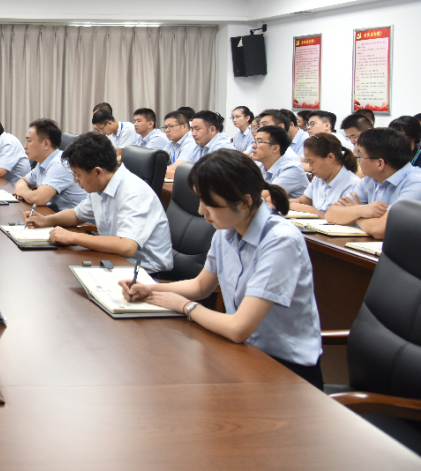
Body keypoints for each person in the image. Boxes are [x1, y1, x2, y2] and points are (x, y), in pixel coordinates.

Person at [119, 150, 323, 388]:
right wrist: (151, 289)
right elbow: (201, 286)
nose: (201, 211)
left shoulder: (280, 241)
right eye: (200, 200)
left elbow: (238, 328)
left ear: (245, 202)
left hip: (286, 371)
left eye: (210, 204)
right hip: (243, 353)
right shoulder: (227, 231)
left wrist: (184, 306)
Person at [23, 132, 173, 274]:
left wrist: (73, 237)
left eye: (77, 175)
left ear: (97, 172)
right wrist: (46, 220)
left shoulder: (133, 193)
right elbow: (76, 215)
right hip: (115, 261)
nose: (75, 180)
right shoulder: (100, 186)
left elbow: (127, 246)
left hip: (145, 273)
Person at [326, 128, 421, 239]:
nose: (357, 160)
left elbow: (381, 230)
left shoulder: (416, 183)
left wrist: (357, 214)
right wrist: (362, 210)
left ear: (380, 163)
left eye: (360, 155)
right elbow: (331, 214)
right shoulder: (370, 179)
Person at [13, 118, 88, 212]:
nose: (25, 146)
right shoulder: (43, 162)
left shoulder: (59, 164)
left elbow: (39, 198)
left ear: (46, 144)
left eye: (29, 141)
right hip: (55, 214)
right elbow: (23, 180)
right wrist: (22, 190)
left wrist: (22, 192)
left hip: (75, 220)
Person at [291, 133, 360, 215]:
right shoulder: (318, 178)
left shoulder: (352, 185)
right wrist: (282, 203)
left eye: (312, 162)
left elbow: (342, 219)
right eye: (308, 162)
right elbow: (302, 201)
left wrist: (313, 211)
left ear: (330, 158)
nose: (310, 167)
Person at [252, 125, 309, 199]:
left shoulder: (292, 169)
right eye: (254, 141)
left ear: (275, 148)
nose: (253, 146)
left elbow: (264, 196)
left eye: (259, 142)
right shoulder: (262, 165)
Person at [164, 110, 200, 176]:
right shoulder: (171, 142)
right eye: (165, 127)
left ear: (184, 126)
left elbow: (177, 168)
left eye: (171, 126)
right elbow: (160, 160)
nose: (167, 130)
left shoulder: (191, 141)